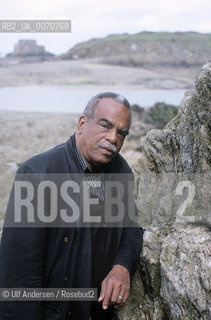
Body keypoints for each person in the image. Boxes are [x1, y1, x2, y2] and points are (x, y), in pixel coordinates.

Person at [0, 92, 144, 320]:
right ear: (82, 123)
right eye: (105, 126)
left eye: (121, 133)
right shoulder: (37, 174)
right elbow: (19, 276)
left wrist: (122, 266)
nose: (113, 138)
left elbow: (132, 228)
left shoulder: (121, 170)